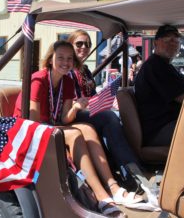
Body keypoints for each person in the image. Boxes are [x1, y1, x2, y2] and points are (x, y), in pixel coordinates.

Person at [14, 41, 142, 217]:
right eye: (60, 57)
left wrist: (75, 108)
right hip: (28, 130)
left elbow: (65, 117)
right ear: (51, 59)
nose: (65, 62)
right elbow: (34, 121)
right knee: (74, 134)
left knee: (88, 128)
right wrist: (60, 123)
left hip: (49, 125)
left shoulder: (66, 81)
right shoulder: (39, 79)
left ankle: (113, 186)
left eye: (69, 59)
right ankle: (101, 197)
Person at [67, 30, 141, 178]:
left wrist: (105, 100)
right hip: (72, 113)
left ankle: (123, 164)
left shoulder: (85, 70)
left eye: (87, 44)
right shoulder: (67, 69)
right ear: (70, 45)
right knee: (109, 117)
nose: (84, 47)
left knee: (120, 114)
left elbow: (93, 95)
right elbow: (68, 101)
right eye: (79, 43)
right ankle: (130, 171)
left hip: (89, 110)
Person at [134, 25, 184, 147]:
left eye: (176, 41)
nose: (173, 44)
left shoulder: (166, 66)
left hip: (170, 124)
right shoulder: (155, 66)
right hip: (159, 130)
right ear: (156, 43)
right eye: (168, 40)